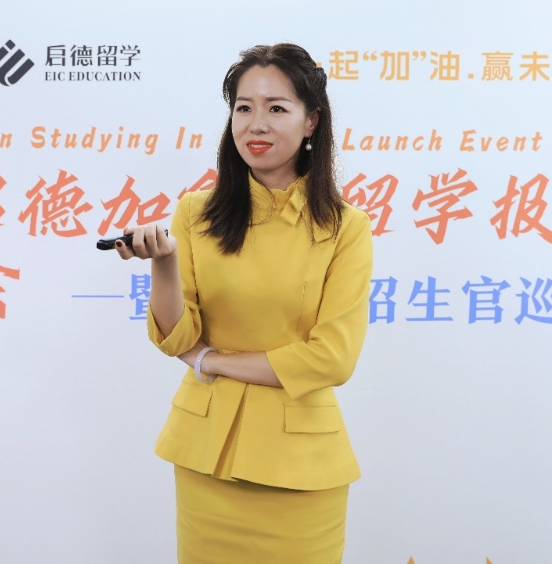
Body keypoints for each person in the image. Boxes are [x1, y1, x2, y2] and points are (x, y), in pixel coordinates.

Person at [114, 43, 373, 564]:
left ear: (311, 121)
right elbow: (178, 339)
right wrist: (163, 263)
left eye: (276, 108)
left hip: (300, 465)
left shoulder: (345, 226)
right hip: (206, 453)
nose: (256, 124)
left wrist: (212, 362)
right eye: (244, 107)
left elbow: (332, 360)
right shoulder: (195, 213)